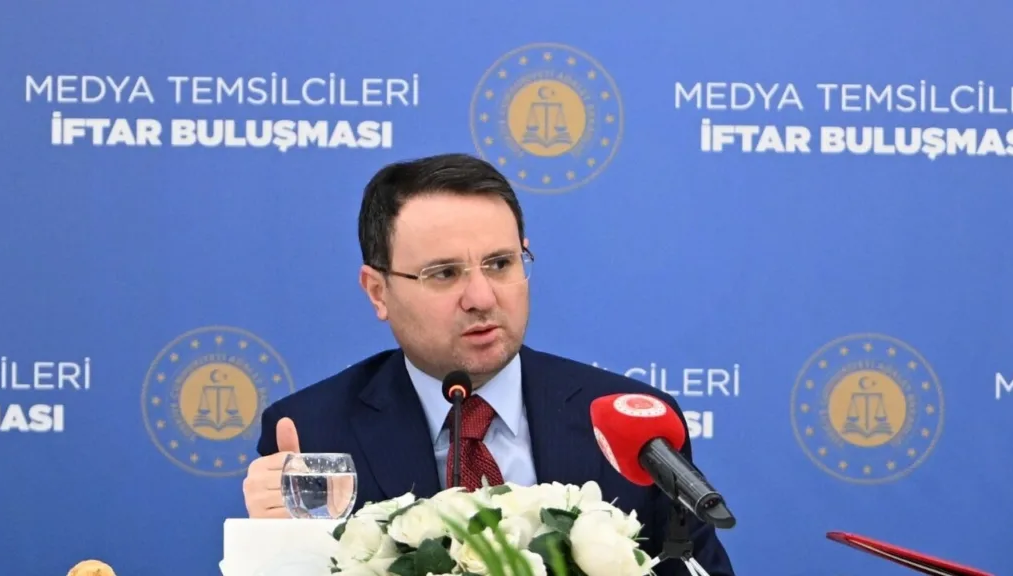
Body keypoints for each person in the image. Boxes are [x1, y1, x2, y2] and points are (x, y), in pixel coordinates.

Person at [243, 153, 736, 575]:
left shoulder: (628, 426)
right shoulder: (315, 436)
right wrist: (278, 550)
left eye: (500, 264)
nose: (481, 297)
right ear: (378, 292)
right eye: (444, 273)